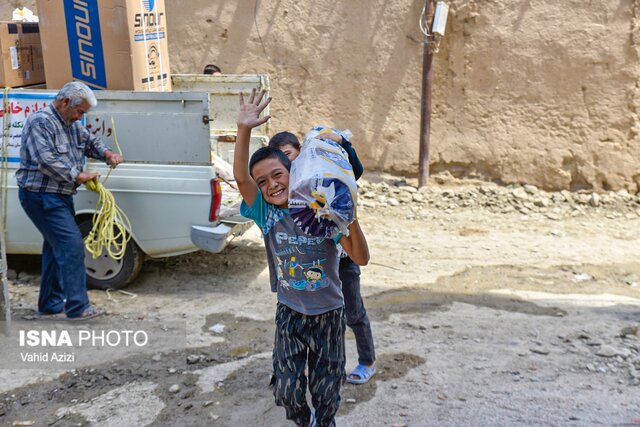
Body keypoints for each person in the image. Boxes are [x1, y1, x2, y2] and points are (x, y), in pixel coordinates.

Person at [234, 89, 370, 427]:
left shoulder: (319, 211)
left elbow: (361, 258)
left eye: (277, 175)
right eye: (262, 182)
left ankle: (324, 422)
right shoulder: (265, 213)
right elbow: (240, 177)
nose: (271, 185)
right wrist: (243, 129)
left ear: (293, 172)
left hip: (329, 315)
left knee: (327, 389)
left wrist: (348, 217)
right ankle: (301, 420)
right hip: (290, 313)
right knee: (287, 388)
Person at [269, 130, 377, 385]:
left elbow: (355, 171)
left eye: (289, 155)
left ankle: (367, 360)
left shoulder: (317, 173)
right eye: (282, 159)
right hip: (317, 265)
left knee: (353, 312)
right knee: (325, 320)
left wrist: (344, 143)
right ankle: (324, 368)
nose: (288, 163)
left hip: (344, 258)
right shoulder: (290, 191)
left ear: (300, 151)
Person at [16, 81, 123, 320]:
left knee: (56, 248)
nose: (80, 117)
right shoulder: (40, 122)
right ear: (65, 102)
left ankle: (50, 304)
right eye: (79, 111)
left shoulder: (71, 122)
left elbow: (90, 142)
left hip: (60, 195)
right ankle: (78, 306)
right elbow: (47, 160)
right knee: (72, 245)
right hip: (41, 196)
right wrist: (79, 175)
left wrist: (107, 154)